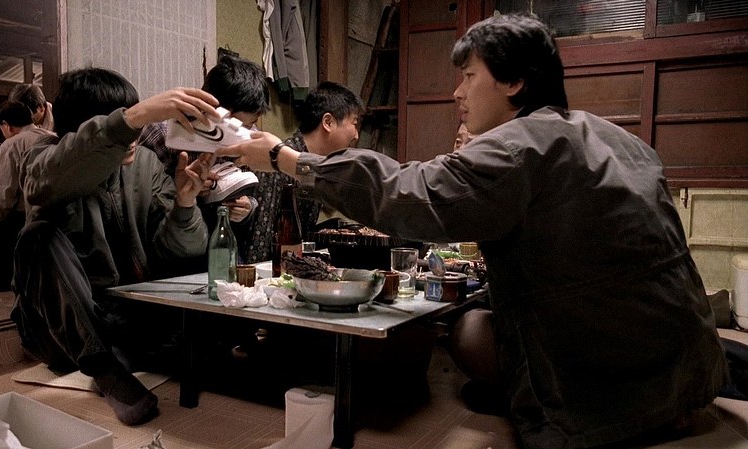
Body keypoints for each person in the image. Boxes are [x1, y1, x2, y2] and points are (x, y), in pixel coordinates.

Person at [217, 13, 728, 449]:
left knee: (470, 333)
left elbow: (406, 191)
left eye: (468, 75)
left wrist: (286, 159)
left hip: (602, 381)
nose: (457, 92)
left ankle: (609, 411)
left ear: (514, 81)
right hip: (689, 366)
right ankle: (663, 405)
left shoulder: (518, 146)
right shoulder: (621, 139)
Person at [11, 67, 219, 426]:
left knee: (218, 242)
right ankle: (106, 369)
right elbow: (50, 179)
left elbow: (174, 250)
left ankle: (129, 353)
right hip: (59, 333)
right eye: (121, 123)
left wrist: (185, 205)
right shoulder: (42, 159)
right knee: (36, 238)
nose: (132, 137)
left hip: (125, 319)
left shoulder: (146, 164)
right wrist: (128, 121)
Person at [138, 53, 270, 263]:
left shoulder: (249, 137)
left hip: (225, 253)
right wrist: (186, 192)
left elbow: (252, 196)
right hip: (171, 257)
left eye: (249, 125)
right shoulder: (163, 135)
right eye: (235, 126)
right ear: (210, 108)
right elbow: (142, 210)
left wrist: (247, 208)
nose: (243, 133)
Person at [243, 80, 364, 263]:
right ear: (328, 122)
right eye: (354, 123)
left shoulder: (317, 163)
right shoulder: (279, 162)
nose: (356, 135)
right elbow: (259, 242)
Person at [0, 100, 56, 237]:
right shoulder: (53, 137)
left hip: (22, 220)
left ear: (6, 125)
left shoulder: (11, 144)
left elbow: (3, 195)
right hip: (57, 216)